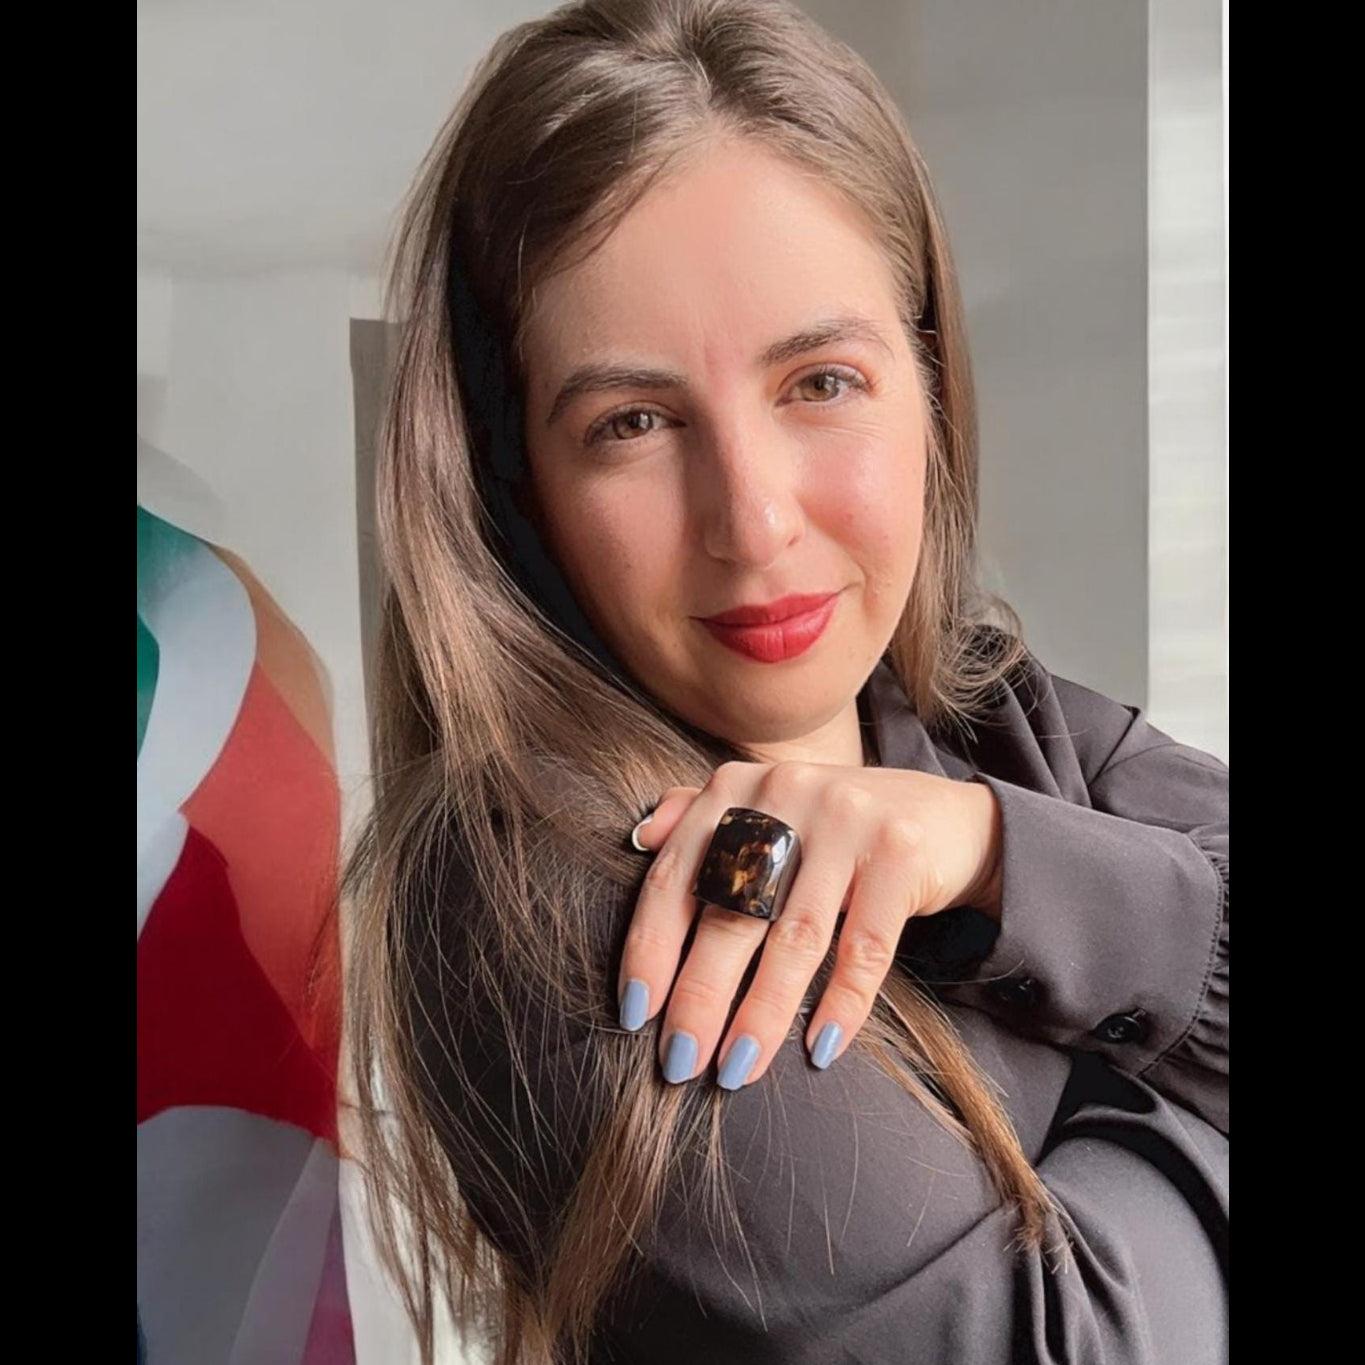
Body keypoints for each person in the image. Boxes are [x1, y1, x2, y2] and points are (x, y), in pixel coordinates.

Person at [340, 1, 1228, 1362]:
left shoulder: (986, 719)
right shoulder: (550, 894)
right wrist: (1147, 1000)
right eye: (630, 423)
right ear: (518, 485)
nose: (750, 520)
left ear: (924, 387)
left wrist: (992, 853)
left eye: (818, 380)